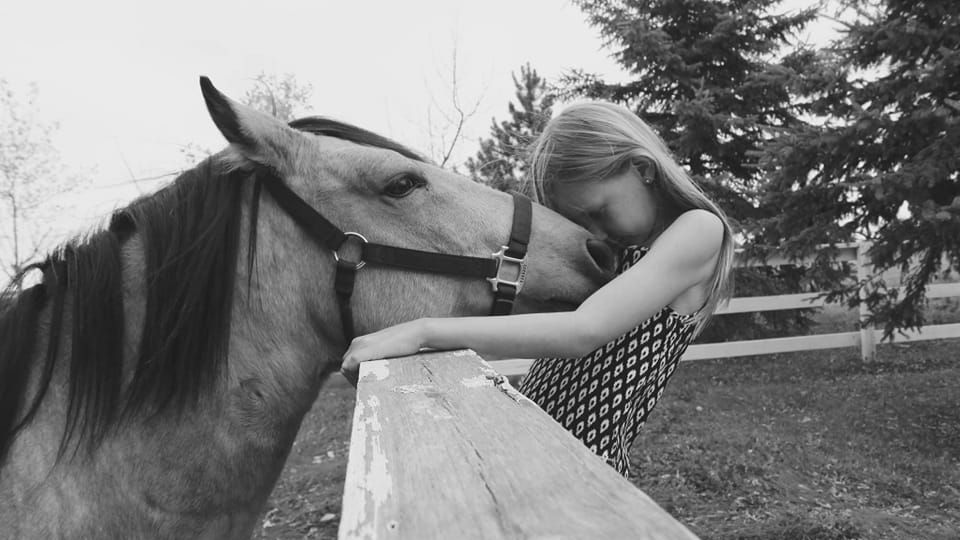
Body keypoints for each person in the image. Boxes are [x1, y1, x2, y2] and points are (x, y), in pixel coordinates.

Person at [341, 101, 735, 476]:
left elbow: (584, 332)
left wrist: (423, 331)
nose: (595, 233)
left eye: (598, 212)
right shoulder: (628, 252)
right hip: (534, 442)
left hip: (583, 463)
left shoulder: (699, 230)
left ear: (642, 169)